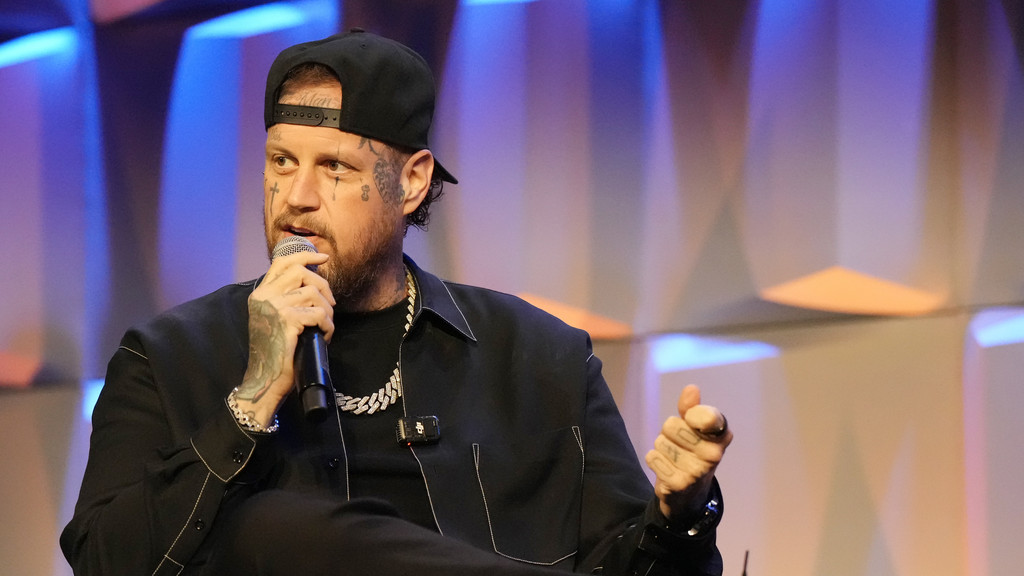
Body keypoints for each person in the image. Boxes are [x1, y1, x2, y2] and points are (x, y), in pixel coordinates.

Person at [60, 29, 733, 576]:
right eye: (281, 162)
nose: (295, 197)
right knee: (269, 526)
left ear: (411, 183)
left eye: (335, 168)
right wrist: (251, 402)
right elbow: (102, 563)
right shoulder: (167, 359)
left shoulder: (540, 360)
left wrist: (682, 515)